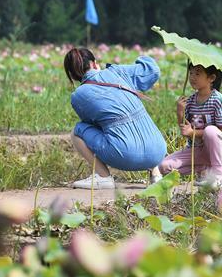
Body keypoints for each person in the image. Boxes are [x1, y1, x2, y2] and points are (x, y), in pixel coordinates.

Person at [64, 48, 167, 189]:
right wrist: (141, 57)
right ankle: (156, 175)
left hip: (126, 155)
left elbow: (93, 124)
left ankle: (103, 177)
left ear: (72, 75)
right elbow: (153, 70)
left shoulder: (78, 96)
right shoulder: (118, 72)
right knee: (137, 118)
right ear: (94, 63)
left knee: (78, 130)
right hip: (158, 151)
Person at [152, 63, 222, 189]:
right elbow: (186, 130)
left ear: (211, 78)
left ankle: (219, 177)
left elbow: (221, 130)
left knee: (210, 131)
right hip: (198, 149)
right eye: (191, 73)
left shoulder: (218, 99)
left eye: (197, 73)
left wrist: (192, 133)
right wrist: (180, 112)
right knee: (163, 166)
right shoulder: (190, 101)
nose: (192, 77)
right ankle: (205, 170)